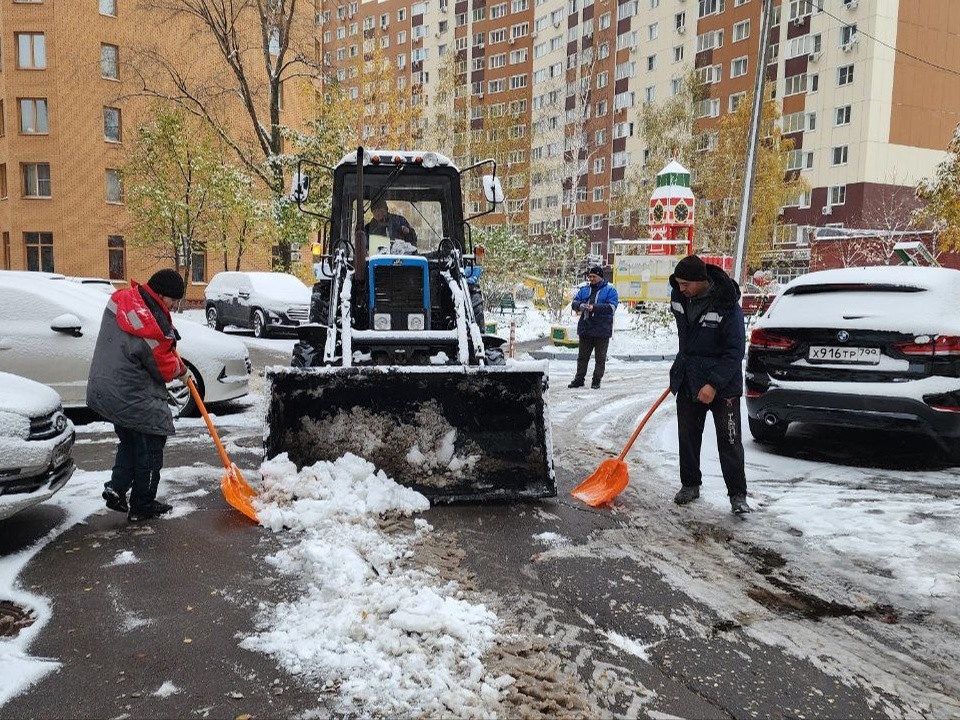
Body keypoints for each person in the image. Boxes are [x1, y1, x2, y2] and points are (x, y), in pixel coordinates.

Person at [87, 269, 188, 523]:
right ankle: (142, 505)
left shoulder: (124, 299)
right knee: (151, 448)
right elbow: (164, 368)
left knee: (130, 443)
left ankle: (117, 488)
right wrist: (181, 371)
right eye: (173, 300)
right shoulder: (149, 324)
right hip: (133, 396)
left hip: (110, 389)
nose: (174, 306)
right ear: (161, 294)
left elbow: (144, 344)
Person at [667, 255, 751, 515]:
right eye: (678, 284)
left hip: (723, 384)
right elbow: (689, 341)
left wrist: (713, 384)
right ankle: (690, 484)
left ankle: (737, 495)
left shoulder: (726, 305)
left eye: (685, 284)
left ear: (701, 281)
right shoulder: (680, 298)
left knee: (729, 440)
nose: (681, 289)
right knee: (688, 437)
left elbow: (735, 351)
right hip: (689, 378)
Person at [569, 265, 618, 389]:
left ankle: (596, 380)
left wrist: (594, 307)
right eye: (590, 276)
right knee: (582, 357)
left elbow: (612, 307)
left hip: (602, 329)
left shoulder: (610, 291)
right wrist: (580, 305)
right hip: (586, 328)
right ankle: (579, 379)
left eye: (593, 276)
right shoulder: (584, 290)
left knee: (600, 358)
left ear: (600, 277)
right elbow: (574, 302)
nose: (591, 279)